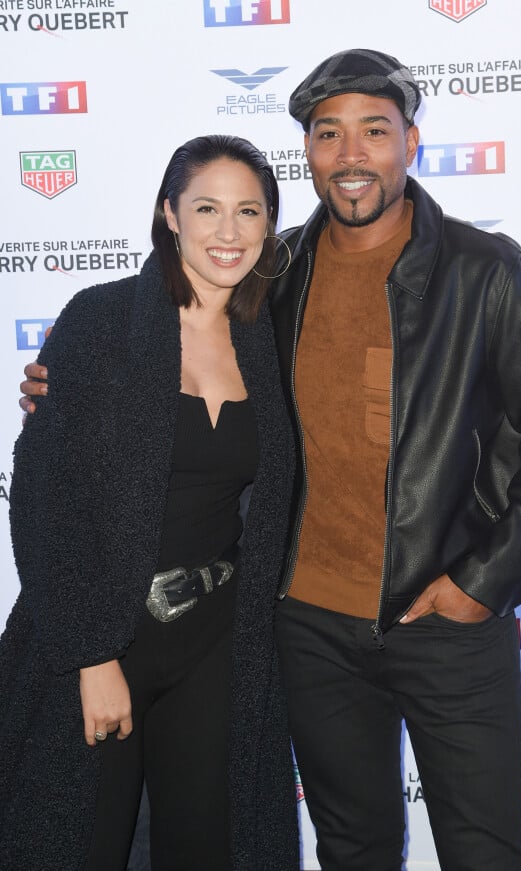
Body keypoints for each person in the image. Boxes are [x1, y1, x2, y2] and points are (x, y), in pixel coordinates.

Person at [18, 48, 521, 871]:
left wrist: (480, 585)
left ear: (411, 143)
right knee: (351, 847)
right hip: (307, 625)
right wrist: (59, 386)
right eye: (329, 134)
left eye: (374, 131)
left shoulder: (485, 272)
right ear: (308, 152)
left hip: (445, 620)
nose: (352, 155)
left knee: (486, 850)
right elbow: (150, 375)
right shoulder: (274, 274)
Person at [2, 134, 299, 871]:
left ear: (269, 226)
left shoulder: (269, 336)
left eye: (249, 212)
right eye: (207, 208)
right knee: (82, 842)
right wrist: (91, 652)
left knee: (209, 846)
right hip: (104, 629)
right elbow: (43, 496)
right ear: (169, 214)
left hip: (218, 637)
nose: (228, 232)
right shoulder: (101, 321)